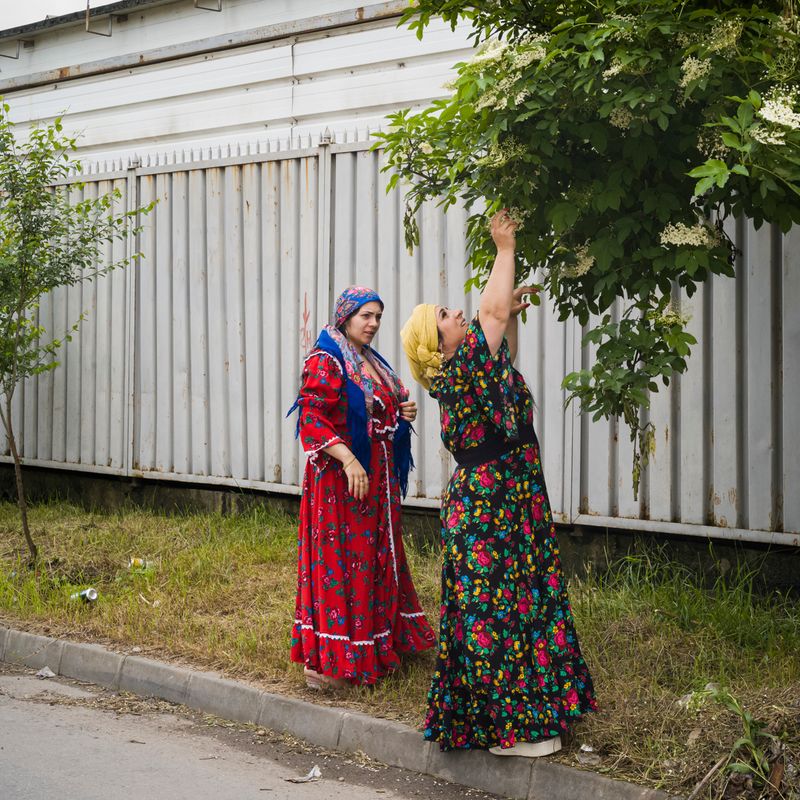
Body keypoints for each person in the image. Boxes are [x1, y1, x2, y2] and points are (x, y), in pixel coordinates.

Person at [400, 211, 596, 755]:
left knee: (522, 603)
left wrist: (510, 308)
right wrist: (504, 247)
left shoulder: (481, 367)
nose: (456, 311)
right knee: (499, 612)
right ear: (436, 345)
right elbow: (488, 310)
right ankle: (509, 733)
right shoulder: (459, 367)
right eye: (444, 314)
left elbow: (500, 328)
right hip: (489, 508)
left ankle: (513, 721)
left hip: (509, 501)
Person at [289, 286, 435, 690]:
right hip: (342, 484)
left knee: (370, 561)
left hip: (374, 484)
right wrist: (350, 459)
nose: (372, 324)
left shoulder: (369, 360)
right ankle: (330, 663)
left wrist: (403, 410)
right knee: (344, 564)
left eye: (377, 317)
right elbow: (312, 419)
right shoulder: (327, 359)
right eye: (365, 316)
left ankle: (373, 645)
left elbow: (379, 408)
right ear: (345, 317)